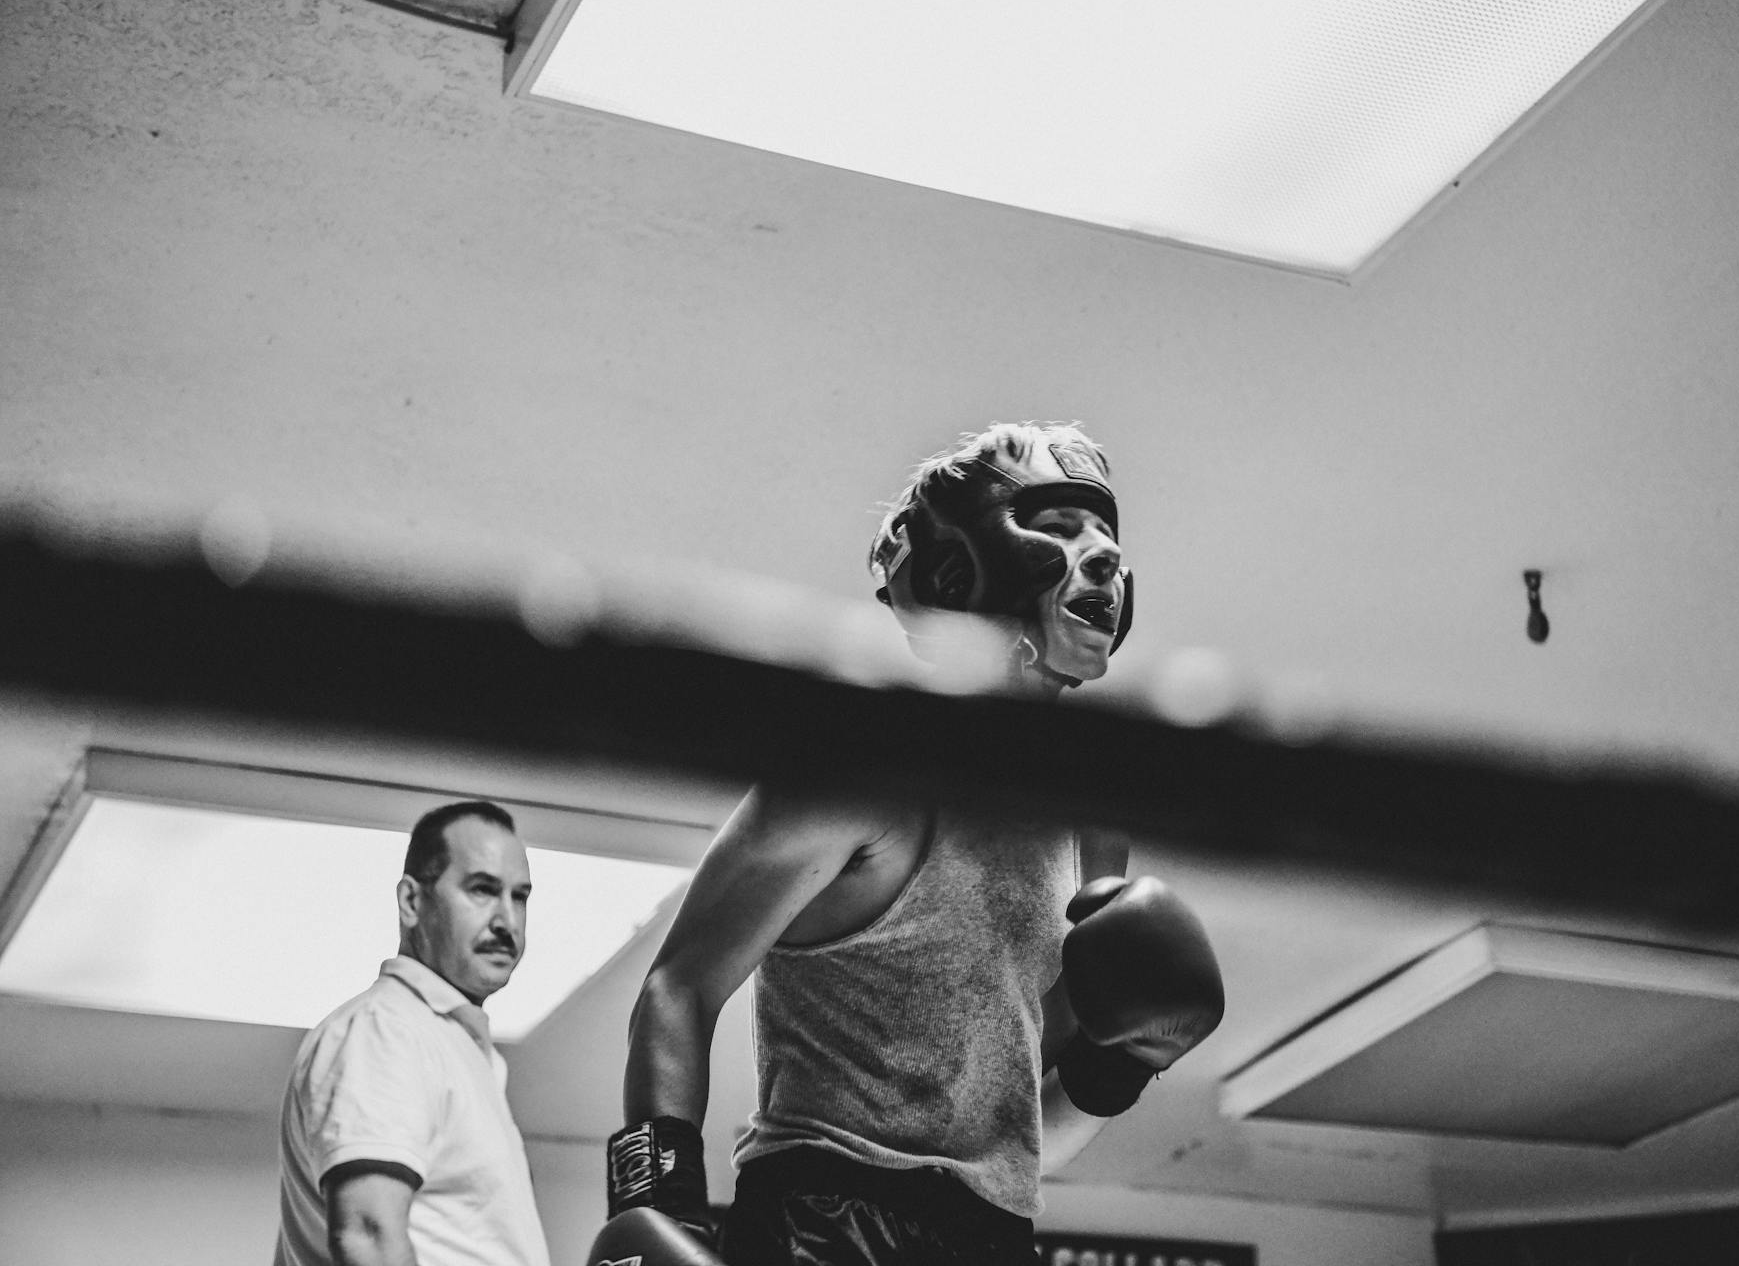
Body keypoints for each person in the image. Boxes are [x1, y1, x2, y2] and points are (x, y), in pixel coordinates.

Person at [589, 423, 1225, 1266]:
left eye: (1107, 533)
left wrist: (1127, 1064)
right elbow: (678, 986)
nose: (1104, 555)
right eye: (1064, 528)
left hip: (995, 1238)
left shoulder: (1091, 824)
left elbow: (1026, 1133)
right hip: (820, 1220)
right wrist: (655, 1211)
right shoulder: (858, 768)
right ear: (959, 564)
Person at [275, 800, 550, 1266]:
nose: (507, 921)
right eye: (482, 890)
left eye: (519, 896)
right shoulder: (387, 1032)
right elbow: (368, 1237)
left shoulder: (456, 1047)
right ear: (411, 901)